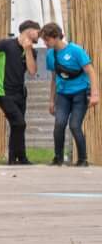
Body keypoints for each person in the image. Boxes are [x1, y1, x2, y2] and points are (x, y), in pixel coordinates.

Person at [0, 20, 41, 166]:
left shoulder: (32, 50)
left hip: (20, 93)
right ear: (28, 30)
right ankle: (14, 158)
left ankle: (20, 158)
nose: (39, 35)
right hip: (3, 92)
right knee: (20, 123)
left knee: (17, 125)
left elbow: (32, 71)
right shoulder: (6, 44)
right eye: (37, 32)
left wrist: (27, 50)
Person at [41, 23, 91, 167]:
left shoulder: (75, 50)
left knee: (75, 126)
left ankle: (83, 159)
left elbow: (90, 71)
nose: (45, 43)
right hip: (62, 95)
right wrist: (51, 100)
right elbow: (53, 78)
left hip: (79, 94)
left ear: (56, 37)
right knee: (59, 124)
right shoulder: (51, 55)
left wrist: (94, 94)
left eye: (47, 39)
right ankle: (58, 158)